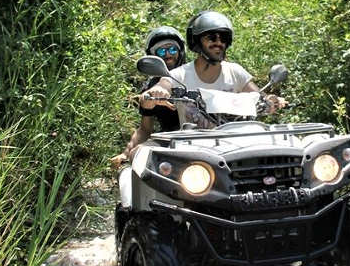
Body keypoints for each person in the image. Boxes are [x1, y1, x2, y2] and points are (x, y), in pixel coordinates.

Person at [142, 10, 285, 129]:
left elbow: (259, 96)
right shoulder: (178, 75)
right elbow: (162, 86)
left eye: (223, 38)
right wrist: (155, 93)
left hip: (237, 141)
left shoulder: (235, 72)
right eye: (211, 38)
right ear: (197, 41)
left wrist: (272, 101)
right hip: (195, 148)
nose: (218, 43)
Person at [110, 26, 185, 170]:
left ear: (181, 52)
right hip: (169, 141)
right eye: (162, 51)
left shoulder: (193, 72)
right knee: (137, 154)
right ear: (153, 56)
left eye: (173, 50)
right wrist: (126, 154)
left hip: (206, 137)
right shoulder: (151, 88)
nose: (168, 55)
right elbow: (145, 129)